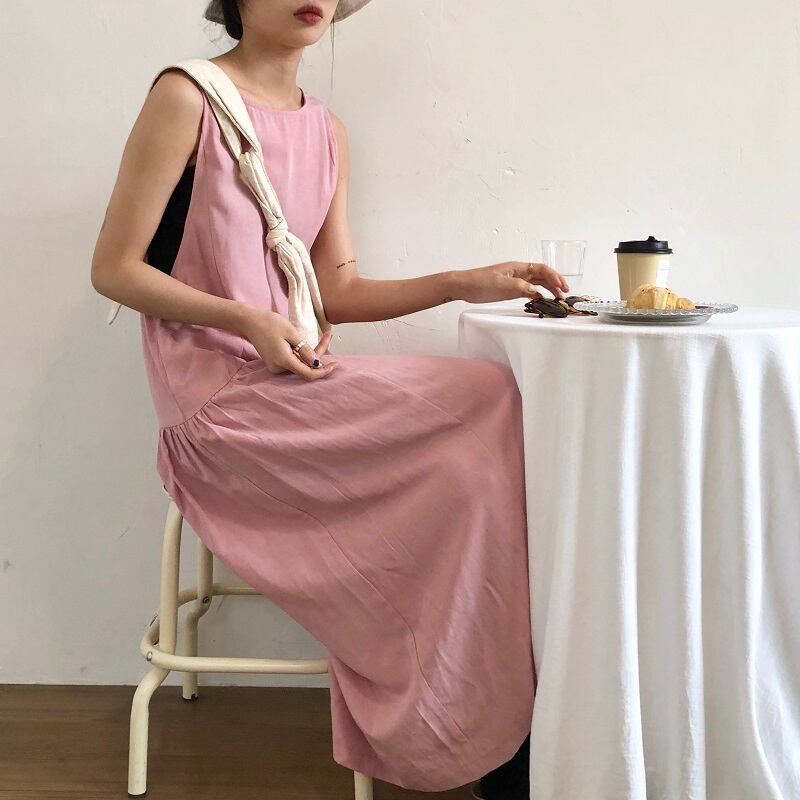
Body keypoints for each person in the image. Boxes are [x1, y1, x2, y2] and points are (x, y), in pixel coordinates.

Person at [90, 1, 568, 796]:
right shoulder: (185, 96)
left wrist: (464, 281)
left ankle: (487, 718)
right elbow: (114, 268)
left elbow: (335, 290)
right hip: (220, 406)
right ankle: (476, 732)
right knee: (479, 422)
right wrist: (244, 317)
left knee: (486, 421)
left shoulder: (327, 131)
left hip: (295, 380)